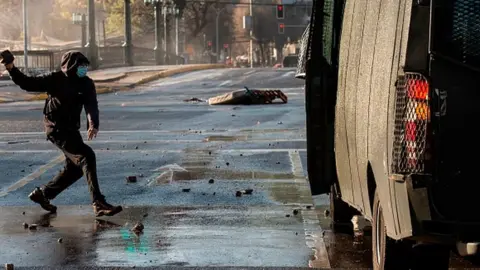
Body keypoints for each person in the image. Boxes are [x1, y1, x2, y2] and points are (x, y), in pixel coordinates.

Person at [0, 50, 122, 217]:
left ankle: (43, 194)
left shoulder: (86, 84)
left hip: (71, 129)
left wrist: (93, 123)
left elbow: (91, 105)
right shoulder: (55, 79)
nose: (84, 70)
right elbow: (28, 83)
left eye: (85, 66)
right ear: (70, 66)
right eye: (80, 66)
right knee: (87, 156)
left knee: (76, 168)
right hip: (56, 128)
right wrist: (11, 67)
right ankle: (98, 202)